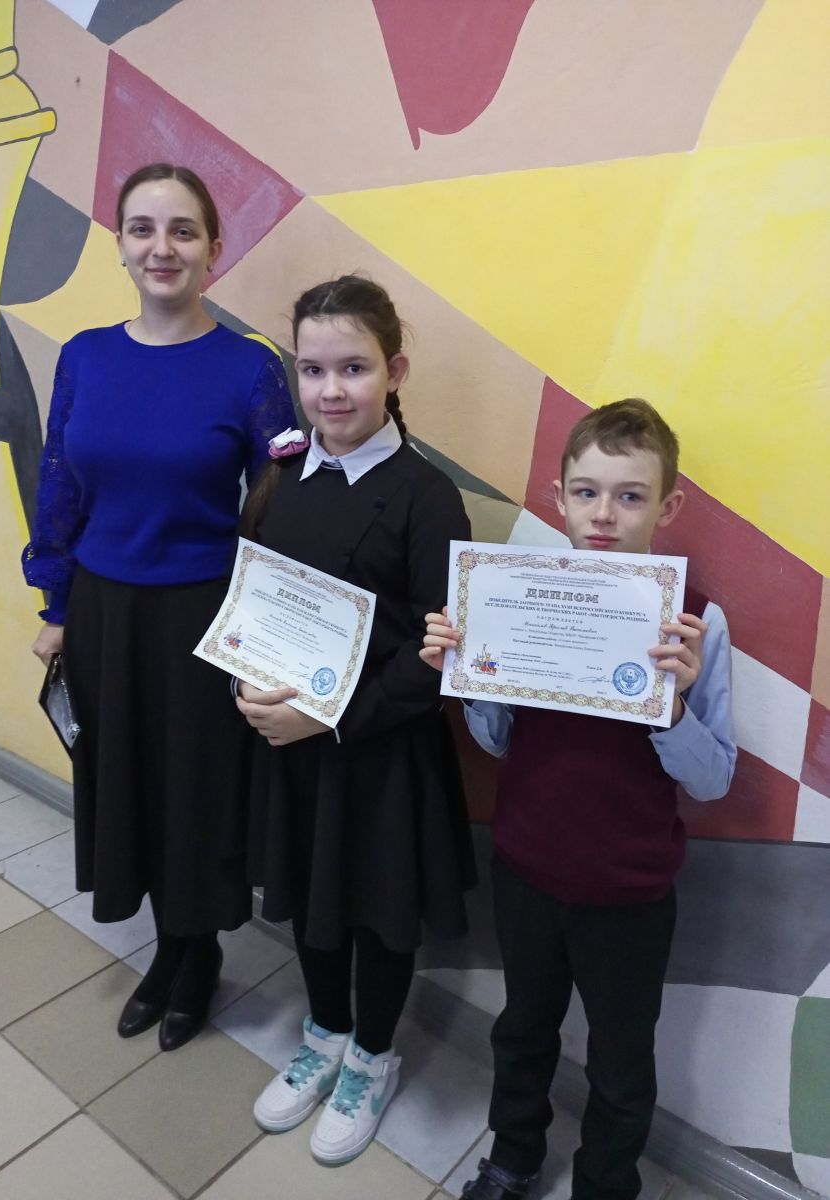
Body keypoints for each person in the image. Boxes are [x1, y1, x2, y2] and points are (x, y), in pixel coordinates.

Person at [421, 399, 736, 1200]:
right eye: (588, 492)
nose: (604, 514)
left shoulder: (697, 624)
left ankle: (606, 1183)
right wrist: (471, 673)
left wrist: (671, 704)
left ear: (668, 506)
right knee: (521, 1030)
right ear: (558, 497)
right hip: (527, 871)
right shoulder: (517, 593)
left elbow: (712, 780)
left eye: (630, 496)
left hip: (630, 894)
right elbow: (499, 742)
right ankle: (512, 1157)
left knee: (621, 1061)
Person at [21, 163, 296, 1051]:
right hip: (104, 613)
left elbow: (286, 503)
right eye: (143, 228)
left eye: (183, 230)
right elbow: (59, 482)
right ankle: (166, 949)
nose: (162, 247)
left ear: (215, 248)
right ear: (121, 244)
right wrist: (57, 602)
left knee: (194, 792)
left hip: (205, 616)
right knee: (128, 781)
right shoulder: (86, 356)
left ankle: (195, 952)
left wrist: (278, 629)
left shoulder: (251, 369)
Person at [235, 275, 476, 1165]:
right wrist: (246, 684)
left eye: (354, 368)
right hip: (291, 748)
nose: (331, 390)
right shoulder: (281, 477)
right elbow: (254, 603)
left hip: (378, 751)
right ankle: (324, 1034)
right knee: (307, 893)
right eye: (313, 370)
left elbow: (437, 655)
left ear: (393, 371)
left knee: (377, 912)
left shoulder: (427, 496)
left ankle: (372, 1056)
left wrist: (329, 720)